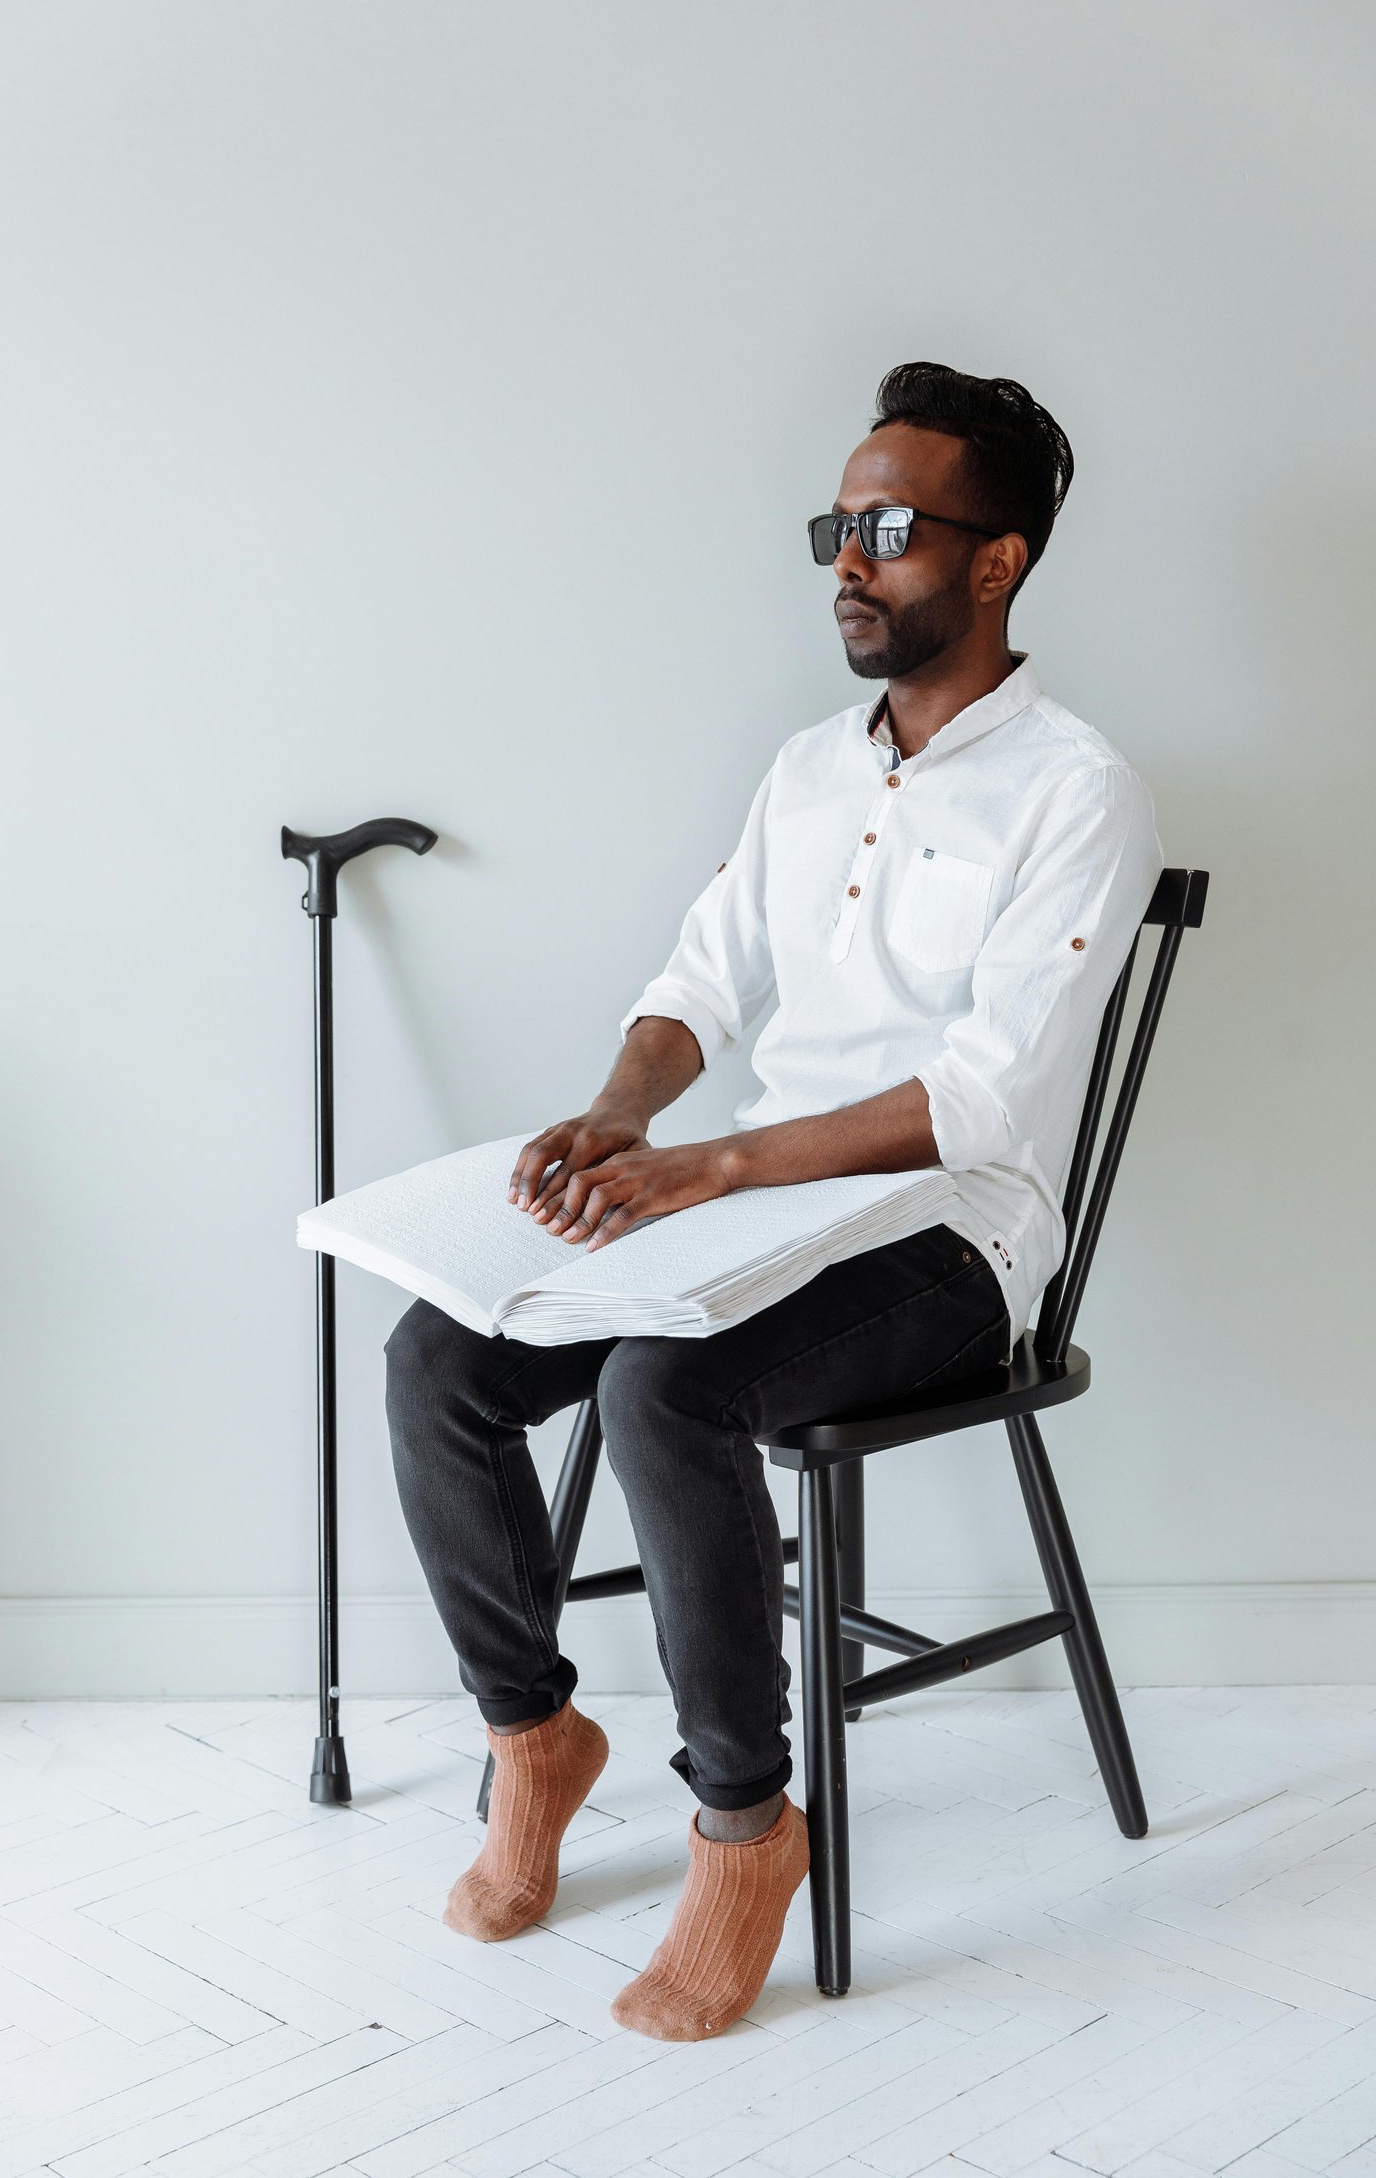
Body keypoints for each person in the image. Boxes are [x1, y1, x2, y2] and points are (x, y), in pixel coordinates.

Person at [383, 360, 1163, 2039]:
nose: (847, 562)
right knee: (435, 1360)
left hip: (954, 1239)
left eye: (887, 528)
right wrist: (611, 1120)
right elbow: (701, 984)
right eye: (837, 526)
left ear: (999, 559)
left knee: (668, 1387)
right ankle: (535, 1734)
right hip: (748, 1210)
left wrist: (711, 1163)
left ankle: (745, 1826)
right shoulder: (811, 767)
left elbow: (980, 1098)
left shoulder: (1078, 790)